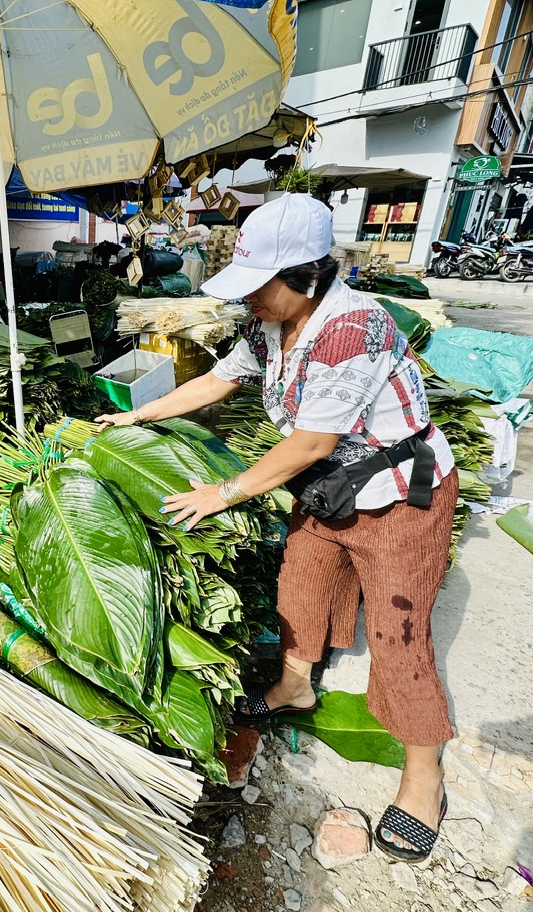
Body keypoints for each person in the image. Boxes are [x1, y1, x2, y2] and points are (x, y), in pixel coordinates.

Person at [96, 194, 459, 863]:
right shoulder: (271, 326)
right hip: (332, 494)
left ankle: (424, 779)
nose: (247, 302)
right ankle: (293, 687)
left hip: (399, 496)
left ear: (305, 277)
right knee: (301, 586)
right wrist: (133, 420)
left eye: (256, 287)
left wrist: (223, 493)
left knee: (397, 634)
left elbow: (313, 442)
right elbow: (215, 384)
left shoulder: (352, 330)